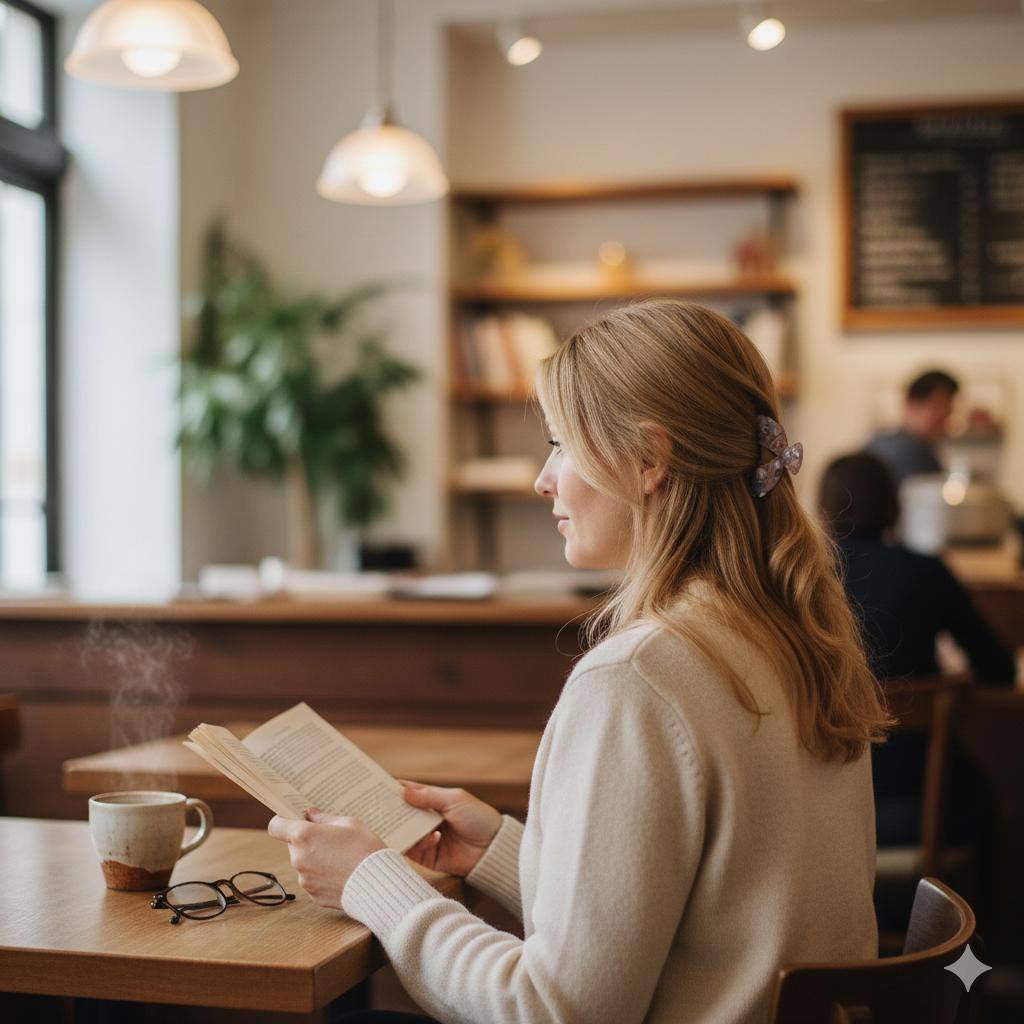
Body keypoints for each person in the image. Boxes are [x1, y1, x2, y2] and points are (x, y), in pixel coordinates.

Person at [269, 300, 890, 1024]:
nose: (543, 479)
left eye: (562, 444)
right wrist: (501, 852)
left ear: (650, 460)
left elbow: (555, 1011)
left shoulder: (640, 678)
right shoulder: (793, 638)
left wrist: (369, 881)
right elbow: (702, 928)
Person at [818, 452, 1014, 927]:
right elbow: (999, 668)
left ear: (823, 508)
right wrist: (950, 682)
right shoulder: (923, 570)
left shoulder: (801, 576)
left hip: (822, 801)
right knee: (988, 799)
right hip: (917, 804)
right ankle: (975, 959)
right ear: (893, 505)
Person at [864, 369, 958, 486]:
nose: (946, 423)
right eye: (939, 411)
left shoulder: (874, 443)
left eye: (948, 414)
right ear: (912, 402)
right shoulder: (917, 455)